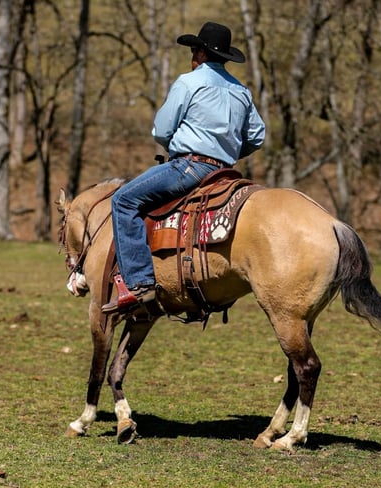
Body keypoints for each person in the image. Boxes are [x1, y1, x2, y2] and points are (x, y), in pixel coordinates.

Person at [102, 21, 266, 314]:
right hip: (225, 172)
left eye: (194, 50)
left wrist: (179, 144)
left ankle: (139, 284)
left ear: (201, 53)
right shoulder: (242, 91)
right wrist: (227, 151)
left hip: (190, 167)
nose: (192, 56)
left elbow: (162, 130)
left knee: (124, 199)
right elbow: (256, 136)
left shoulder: (188, 82)